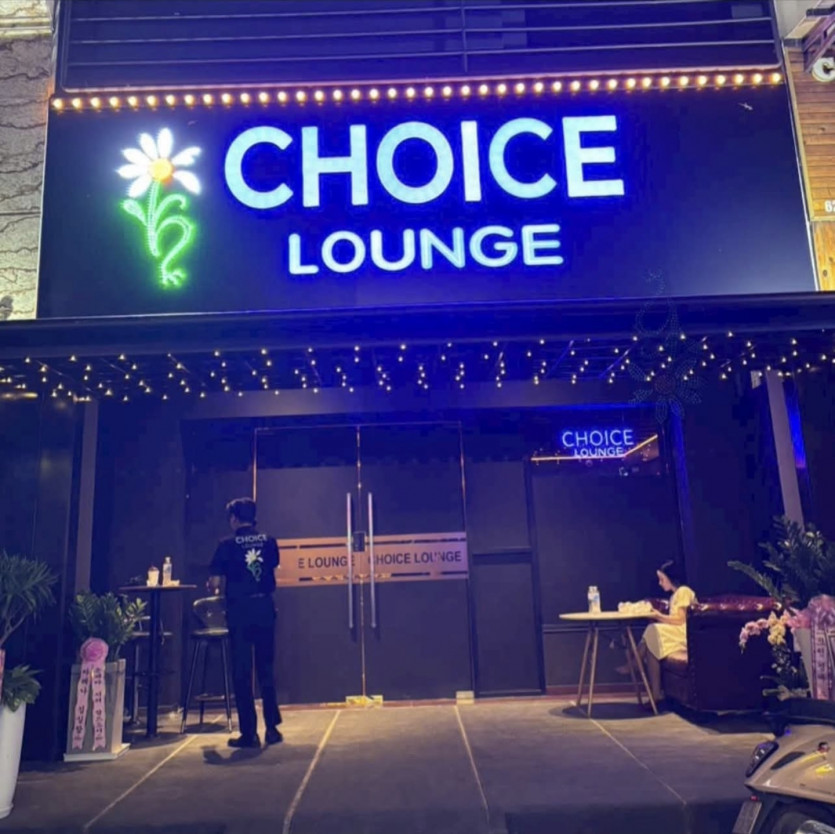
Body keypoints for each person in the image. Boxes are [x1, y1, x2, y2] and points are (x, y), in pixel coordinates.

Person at [208, 497, 282, 748]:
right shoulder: (269, 541)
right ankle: (272, 728)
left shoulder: (226, 545)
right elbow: (273, 568)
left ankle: (249, 733)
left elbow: (215, 582)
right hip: (264, 607)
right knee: (266, 668)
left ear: (234, 519)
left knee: (242, 671)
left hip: (240, 611)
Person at [618, 560, 697, 704]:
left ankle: (634, 662)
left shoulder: (684, 591)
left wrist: (658, 616)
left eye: (662, 579)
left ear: (671, 578)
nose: (660, 583)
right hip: (676, 632)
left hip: (685, 633)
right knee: (652, 647)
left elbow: (680, 620)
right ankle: (655, 695)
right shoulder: (674, 596)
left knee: (652, 629)